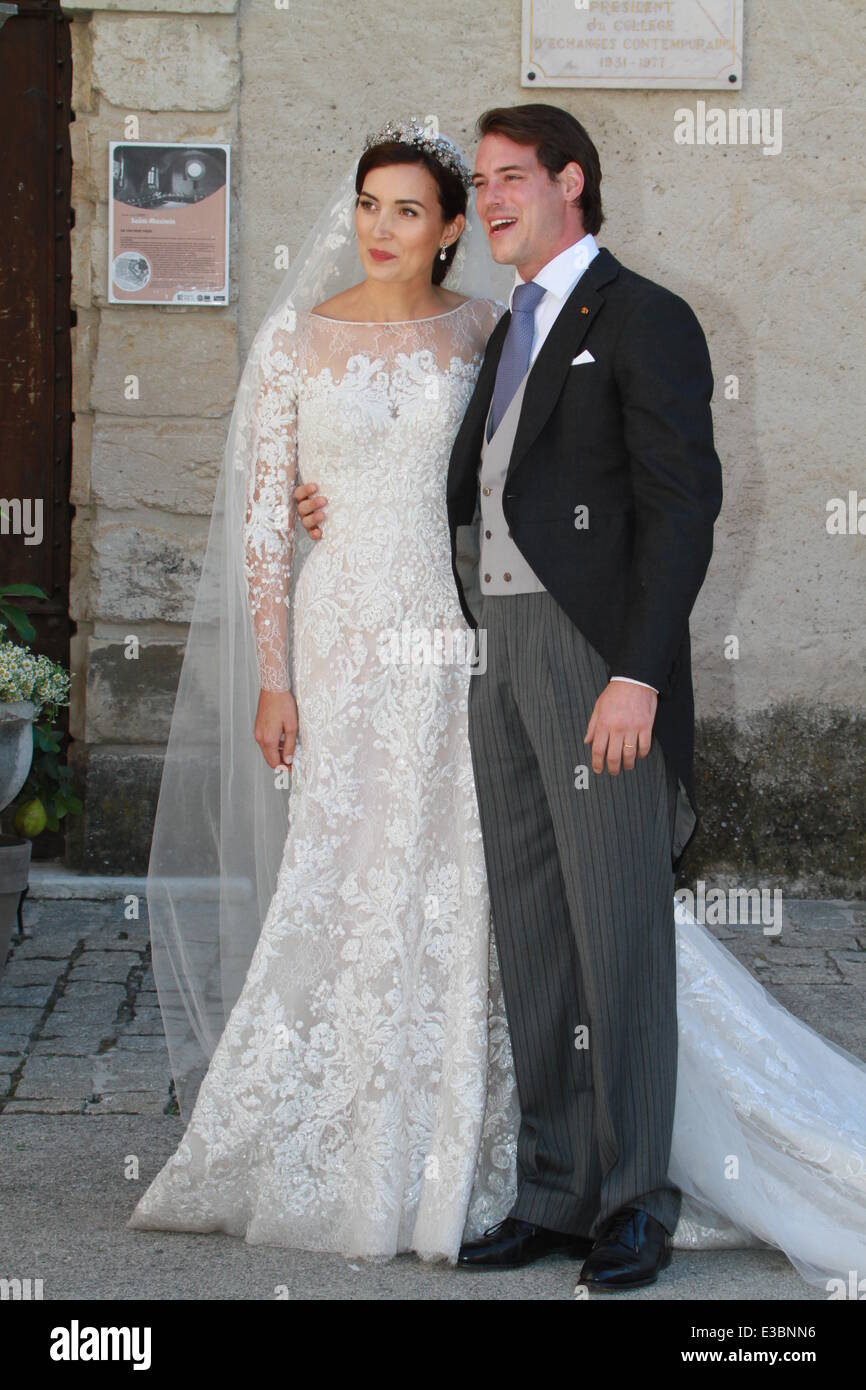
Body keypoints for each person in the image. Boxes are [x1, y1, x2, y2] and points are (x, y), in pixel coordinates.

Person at [294, 106, 866, 1293]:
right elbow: (467, 486)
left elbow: (679, 509)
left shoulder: (645, 316)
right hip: (491, 654)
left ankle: (632, 1205)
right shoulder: (507, 329)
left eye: (511, 180)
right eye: (483, 183)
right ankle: (552, 1194)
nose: (491, 200)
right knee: (533, 932)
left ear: (571, 183)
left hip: (592, 659)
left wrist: (637, 674)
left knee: (616, 939)